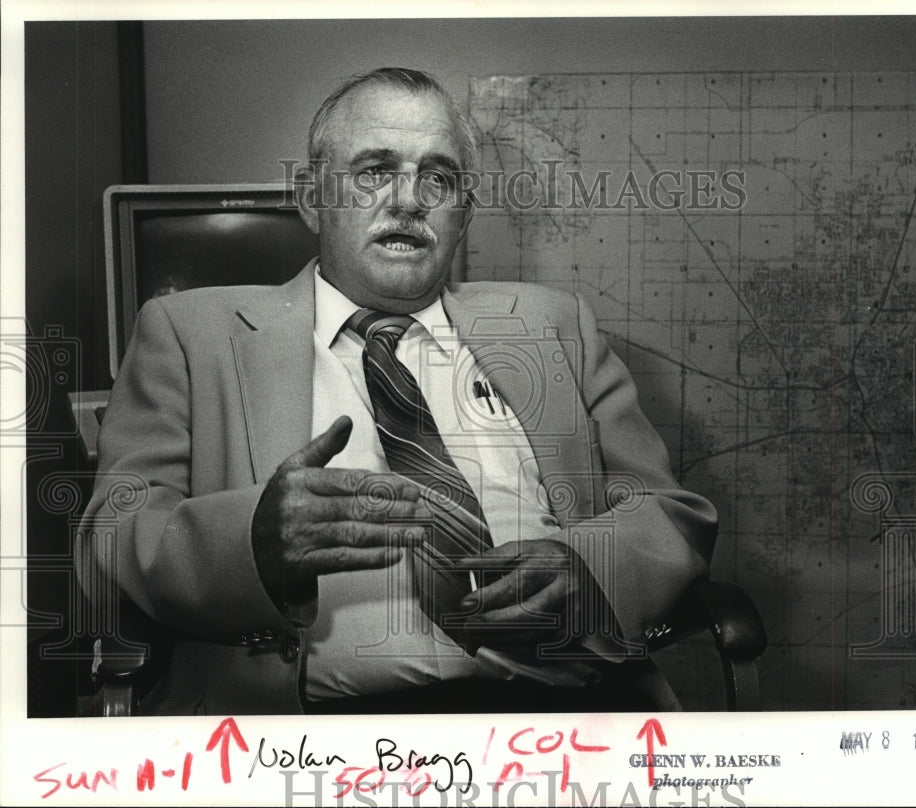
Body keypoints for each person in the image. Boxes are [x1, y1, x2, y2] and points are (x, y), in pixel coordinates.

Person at [76, 67, 717, 715]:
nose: (408, 200)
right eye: (374, 171)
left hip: (558, 725)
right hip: (309, 742)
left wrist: (590, 572)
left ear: (462, 212)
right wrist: (256, 542)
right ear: (310, 197)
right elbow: (113, 534)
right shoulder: (190, 333)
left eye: (437, 177)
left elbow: (670, 512)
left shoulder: (554, 324)